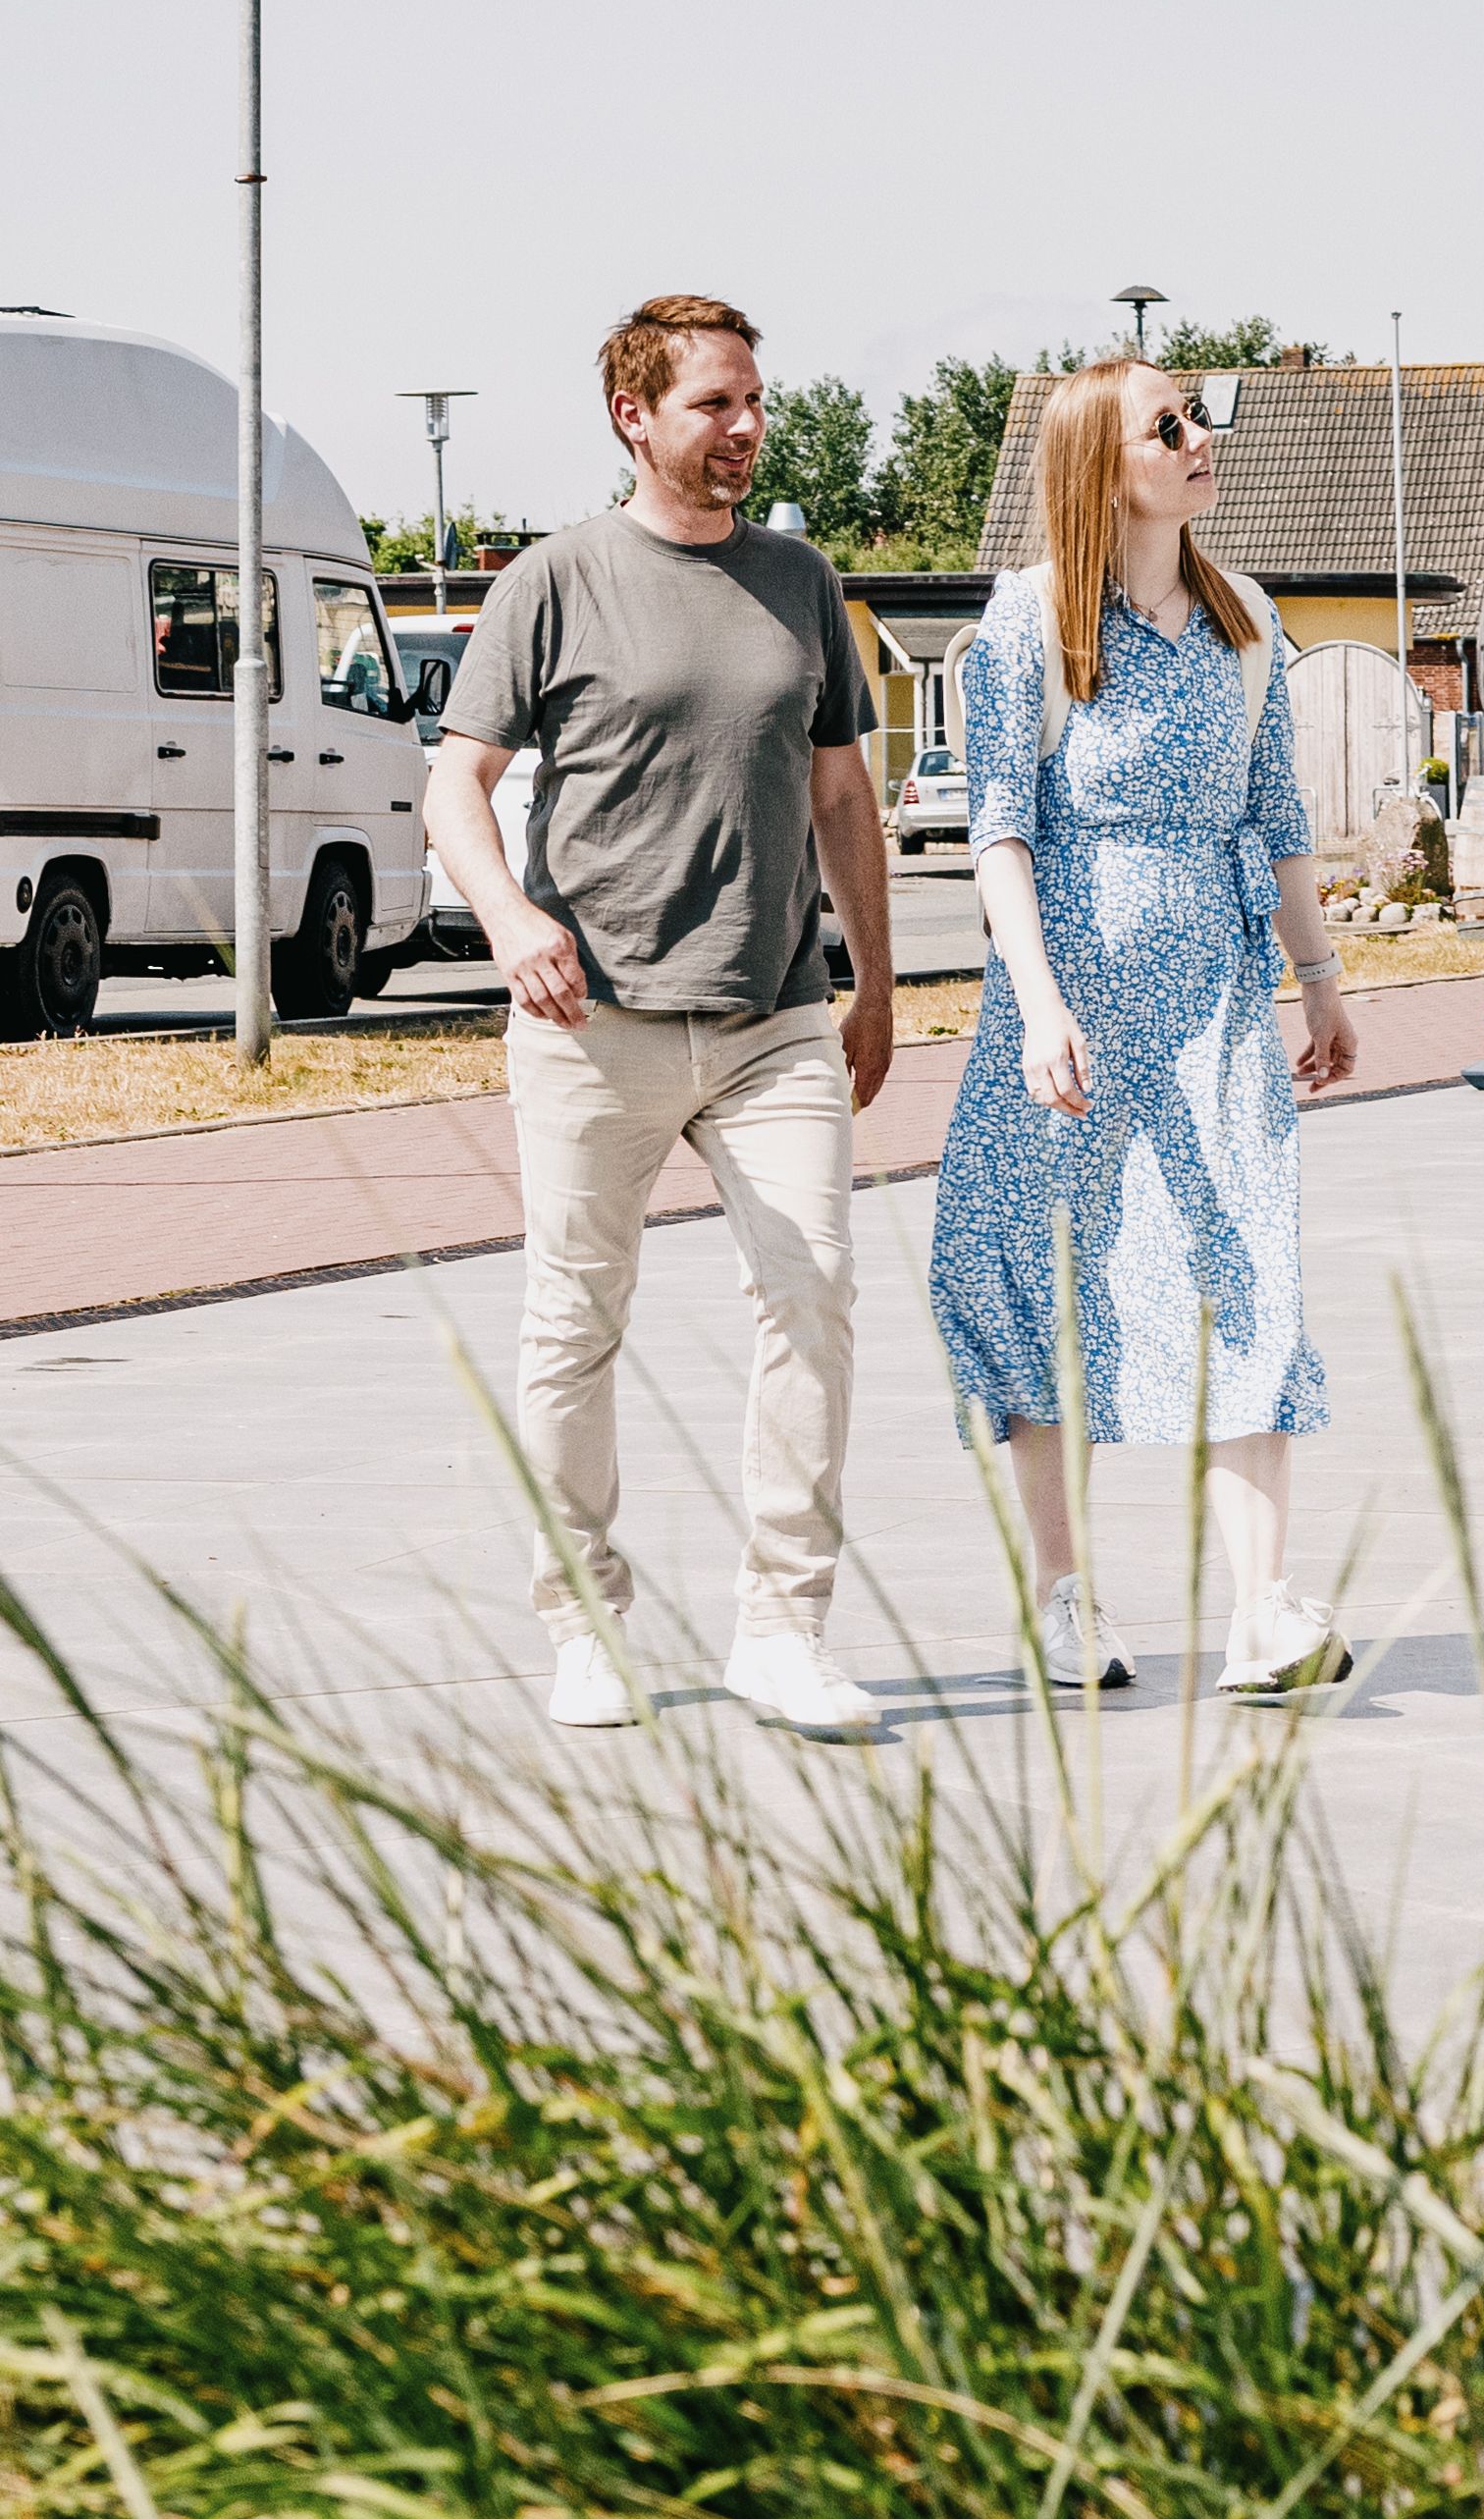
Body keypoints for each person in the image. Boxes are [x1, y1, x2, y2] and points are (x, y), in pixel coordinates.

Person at [427, 295, 906, 1742]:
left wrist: (877, 982)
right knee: (574, 1322)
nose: (745, 427)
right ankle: (584, 1624)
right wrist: (514, 922)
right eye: (714, 404)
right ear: (634, 417)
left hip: (773, 1018)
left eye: (752, 399)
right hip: (596, 1018)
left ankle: (783, 1630)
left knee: (813, 1296)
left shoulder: (801, 579)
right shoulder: (554, 582)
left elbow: (839, 795)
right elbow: (456, 784)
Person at [935, 359, 1359, 1698]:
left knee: (1244, 1270)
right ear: (1096, 465)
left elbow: (1275, 815)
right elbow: (997, 825)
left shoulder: (1244, 621)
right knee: (1049, 1278)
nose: (1195, 439)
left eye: (1195, 418)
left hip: (1214, 1002)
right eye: (1164, 428)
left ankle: (1262, 1614)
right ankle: (1065, 1599)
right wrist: (1037, 1004)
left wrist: (1322, 977)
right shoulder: (1025, 625)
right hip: (1067, 1008)